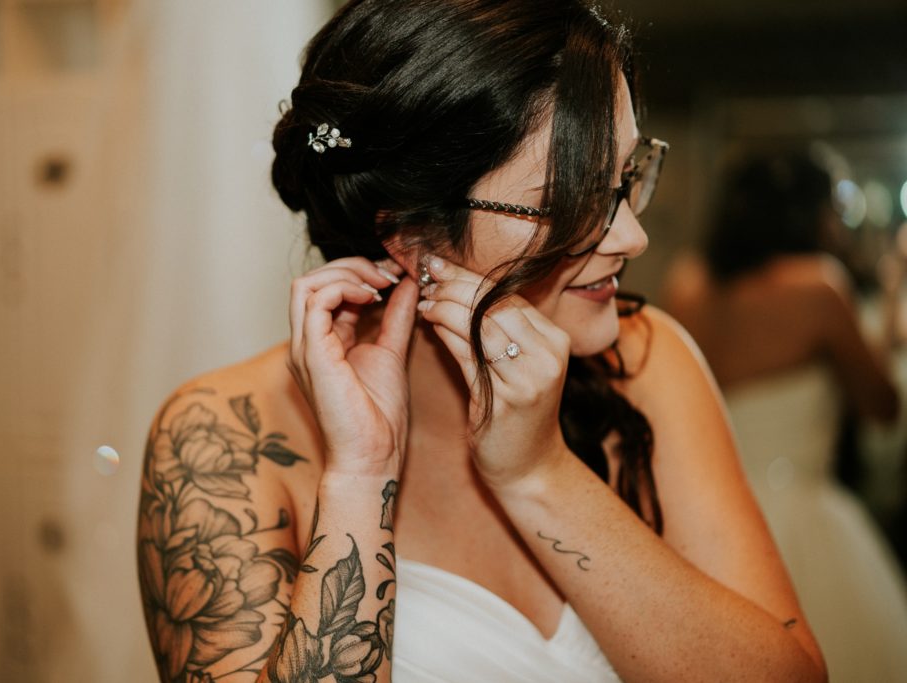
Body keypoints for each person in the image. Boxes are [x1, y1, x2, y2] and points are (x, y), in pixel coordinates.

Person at [137, 2, 827, 681]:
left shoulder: (648, 363)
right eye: (572, 199)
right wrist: (360, 475)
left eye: (624, 179)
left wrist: (537, 472)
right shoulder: (223, 438)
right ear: (411, 237)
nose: (631, 237)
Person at [663, 152, 907, 682]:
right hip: (805, 516)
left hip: (706, 520)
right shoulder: (818, 287)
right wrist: (892, 301)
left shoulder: (689, 288)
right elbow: (882, 407)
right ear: (810, 212)